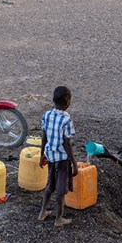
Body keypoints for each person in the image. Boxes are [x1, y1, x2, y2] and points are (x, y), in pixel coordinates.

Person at [38, 86, 79, 226]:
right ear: (67, 102)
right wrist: (74, 163)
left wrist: (41, 154)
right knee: (61, 189)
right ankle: (58, 218)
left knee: (50, 184)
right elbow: (67, 144)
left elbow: (44, 137)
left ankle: (42, 212)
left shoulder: (47, 115)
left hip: (50, 156)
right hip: (62, 159)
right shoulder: (66, 120)